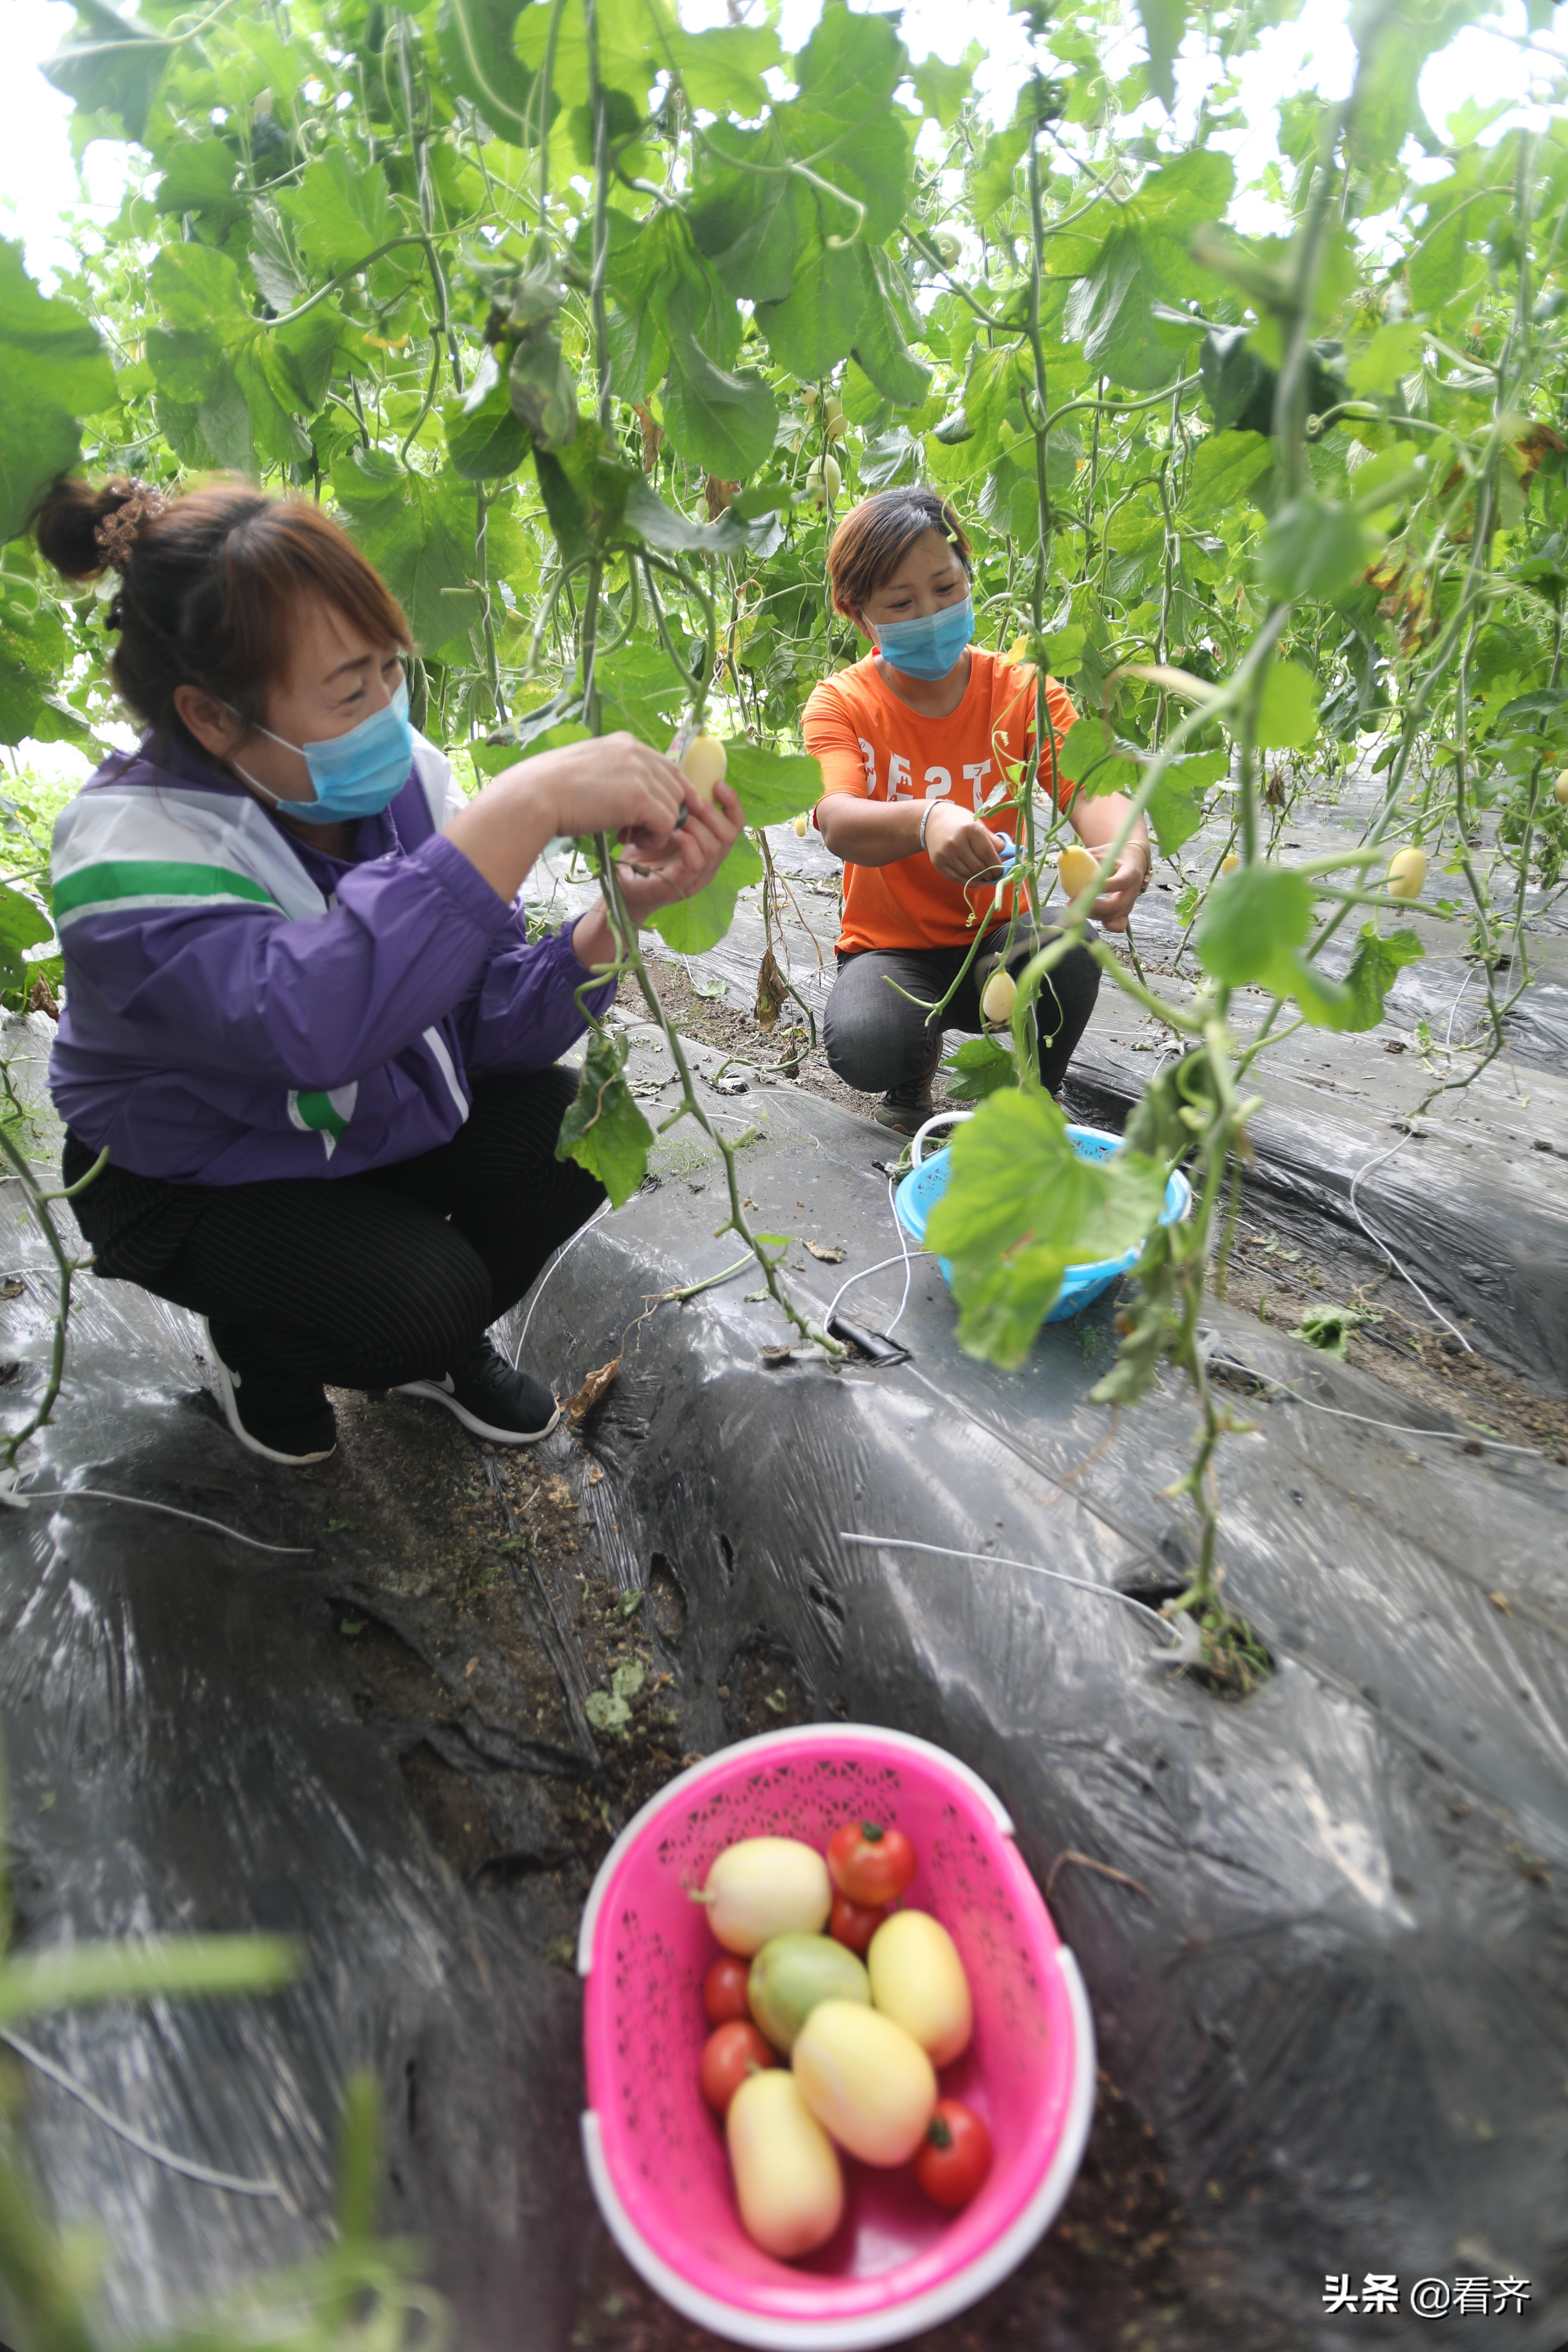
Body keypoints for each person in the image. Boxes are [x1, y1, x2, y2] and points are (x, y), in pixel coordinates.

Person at [32, 476, 740, 1469]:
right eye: (347, 689)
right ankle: (269, 1349)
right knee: (425, 1296)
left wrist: (621, 911)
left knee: (571, 1131)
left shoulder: (401, 774)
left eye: (388, 671)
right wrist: (524, 807)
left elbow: (480, 1015)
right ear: (211, 717)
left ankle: (413, 1328)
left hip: (349, 1127)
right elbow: (307, 1027)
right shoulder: (128, 849)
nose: (385, 709)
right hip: (190, 1173)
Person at [802, 488, 1152, 1134]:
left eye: (945, 586)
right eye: (902, 604)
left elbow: (1094, 789)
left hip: (1000, 940)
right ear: (860, 617)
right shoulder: (840, 704)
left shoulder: (1023, 690)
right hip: (892, 951)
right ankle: (912, 1074)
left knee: (1068, 947)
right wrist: (925, 818)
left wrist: (1129, 853)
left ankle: (1033, 1097)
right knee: (869, 1041)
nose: (930, 612)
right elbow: (838, 819)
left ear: (968, 575)